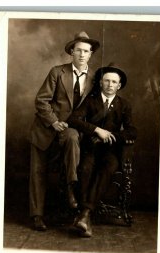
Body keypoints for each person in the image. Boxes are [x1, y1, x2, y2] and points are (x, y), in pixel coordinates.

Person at [29, 31, 100, 231]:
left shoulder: (96, 78)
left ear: (91, 54)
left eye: (86, 51)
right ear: (71, 52)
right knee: (38, 172)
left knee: (72, 138)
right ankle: (37, 216)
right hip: (46, 128)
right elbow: (41, 101)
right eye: (78, 50)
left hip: (73, 131)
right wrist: (53, 122)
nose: (81, 54)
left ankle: (71, 188)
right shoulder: (57, 72)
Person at [68, 63, 137, 237]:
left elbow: (132, 131)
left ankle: (84, 214)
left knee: (108, 168)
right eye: (106, 81)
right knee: (85, 169)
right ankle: (86, 215)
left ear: (119, 85)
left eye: (114, 82)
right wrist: (97, 130)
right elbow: (73, 119)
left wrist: (112, 135)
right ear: (100, 82)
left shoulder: (124, 104)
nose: (110, 85)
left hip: (111, 151)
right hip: (90, 148)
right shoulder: (91, 101)